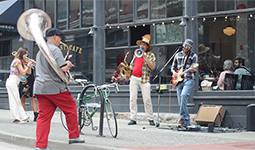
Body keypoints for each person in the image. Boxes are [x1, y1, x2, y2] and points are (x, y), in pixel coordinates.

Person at [33, 28, 85, 150]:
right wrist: (69, 64)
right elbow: (62, 68)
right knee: (71, 108)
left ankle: (40, 146)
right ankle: (74, 136)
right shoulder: (55, 49)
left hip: (40, 87)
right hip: (54, 86)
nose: (60, 41)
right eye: (60, 38)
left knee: (43, 117)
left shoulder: (40, 51)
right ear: (55, 37)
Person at [127, 34, 156, 126]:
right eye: (141, 45)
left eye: (144, 45)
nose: (142, 46)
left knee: (147, 99)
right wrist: (128, 71)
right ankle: (133, 118)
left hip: (144, 79)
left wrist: (145, 56)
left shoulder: (151, 55)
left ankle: (150, 118)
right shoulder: (136, 54)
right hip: (134, 78)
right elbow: (131, 65)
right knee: (132, 99)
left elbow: (152, 67)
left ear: (147, 47)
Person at [171, 39, 197, 126]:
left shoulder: (193, 56)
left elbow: (194, 68)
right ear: (183, 44)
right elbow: (173, 67)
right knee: (181, 101)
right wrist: (174, 73)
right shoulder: (177, 55)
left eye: (188, 46)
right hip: (178, 80)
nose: (186, 47)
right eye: (185, 45)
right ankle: (186, 120)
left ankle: (183, 117)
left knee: (183, 96)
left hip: (189, 79)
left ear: (191, 47)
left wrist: (193, 69)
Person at [5, 47, 32, 123]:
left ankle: (15, 117)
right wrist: (27, 65)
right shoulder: (17, 61)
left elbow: (29, 72)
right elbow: (23, 73)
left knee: (13, 100)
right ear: (22, 54)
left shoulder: (21, 62)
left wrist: (28, 64)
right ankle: (23, 116)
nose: (26, 55)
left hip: (13, 82)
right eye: (25, 53)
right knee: (16, 99)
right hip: (12, 81)